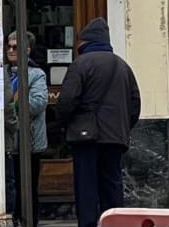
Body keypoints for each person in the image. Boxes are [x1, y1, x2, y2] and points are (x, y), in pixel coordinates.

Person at [55, 17, 141, 227]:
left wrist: (63, 124)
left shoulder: (81, 64)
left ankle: (89, 224)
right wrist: (122, 127)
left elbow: (67, 100)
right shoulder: (123, 66)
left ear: (84, 41)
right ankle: (115, 222)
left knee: (86, 186)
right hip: (115, 137)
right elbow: (135, 103)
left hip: (86, 137)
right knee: (112, 183)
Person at [7, 31, 48, 227]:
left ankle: (29, 221)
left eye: (15, 47)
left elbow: (37, 103)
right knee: (10, 185)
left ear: (27, 50)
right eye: (9, 46)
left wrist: (10, 105)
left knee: (28, 187)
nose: (10, 50)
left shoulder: (36, 74)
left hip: (29, 140)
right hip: (6, 140)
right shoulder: (1, 73)